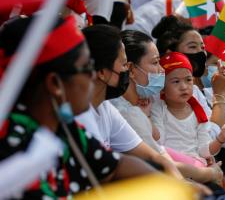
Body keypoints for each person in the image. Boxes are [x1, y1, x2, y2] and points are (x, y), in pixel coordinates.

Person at [0, 16, 157, 198]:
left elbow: (116, 166)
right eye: (86, 67)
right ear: (55, 84)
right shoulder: (14, 153)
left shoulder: (65, 127)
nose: (93, 76)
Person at [111, 29, 224, 184]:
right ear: (131, 69)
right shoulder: (125, 112)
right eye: (155, 62)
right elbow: (159, 161)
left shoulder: (142, 103)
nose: (161, 70)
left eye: (188, 80)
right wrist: (207, 174)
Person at [75, 25, 182, 178]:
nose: (128, 72)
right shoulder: (80, 117)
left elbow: (153, 157)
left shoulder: (104, 107)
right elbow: (108, 173)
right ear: (102, 73)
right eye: (125, 64)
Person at [151, 52, 225, 168]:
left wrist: (221, 137)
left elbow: (204, 151)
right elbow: (158, 142)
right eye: (176, 81)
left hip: (196, 165)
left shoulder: (198, 112)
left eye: (188, 80)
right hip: (171, 165)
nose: (184, 87)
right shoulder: (158, 107)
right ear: (162, 87)